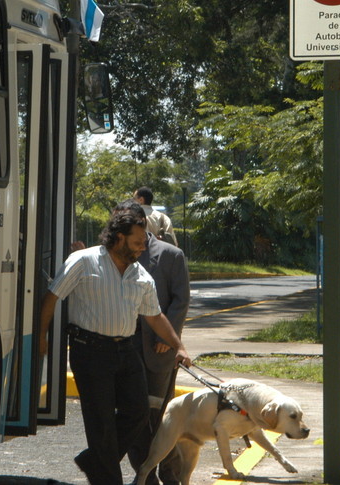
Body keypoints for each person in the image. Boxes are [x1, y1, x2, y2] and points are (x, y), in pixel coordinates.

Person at [39, 202, 192, 485]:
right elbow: (52, 296)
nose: (142, 249)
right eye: (136, 243)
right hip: (90, 351)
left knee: (138, 412)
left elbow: (155, 316)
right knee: (101, 423)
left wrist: (178, 346)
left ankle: (94, 461)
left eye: (143, 243)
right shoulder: (84, 261)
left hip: (126, 350)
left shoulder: (140, 275)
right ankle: (107, 478)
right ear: (118, 238)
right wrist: (41, 336)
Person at [123, 200, 191, 485]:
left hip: (158, 350)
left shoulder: (170, 255)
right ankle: (145, 477)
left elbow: (180, 301)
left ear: (143, 224)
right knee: (134, 418)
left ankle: (171, 474)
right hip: (124, 347)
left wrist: (169, 337)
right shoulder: (115, 255)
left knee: (159, 418)